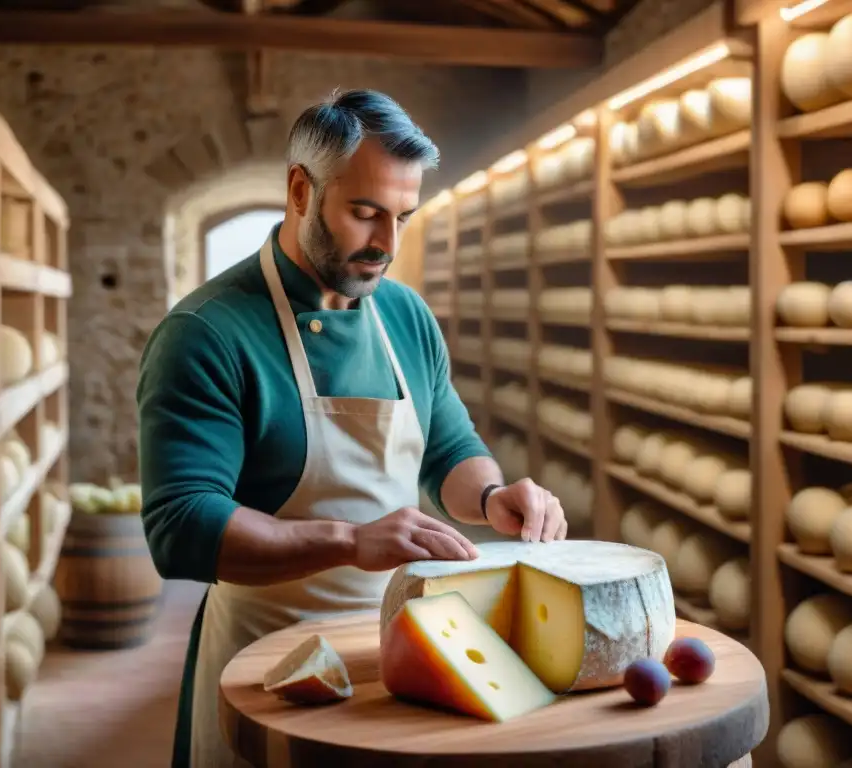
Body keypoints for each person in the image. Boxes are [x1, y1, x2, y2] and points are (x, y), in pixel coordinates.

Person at [136, 88, 567, 768]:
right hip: (265, 663)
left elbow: (449, 449)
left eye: (403, 216)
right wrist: (348, 540)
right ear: (301, 190)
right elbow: (181, 527)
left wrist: (491, 498)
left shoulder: (405, 316)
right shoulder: (206, 334)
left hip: (398, 651)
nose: (387, 244)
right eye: (365, 214)